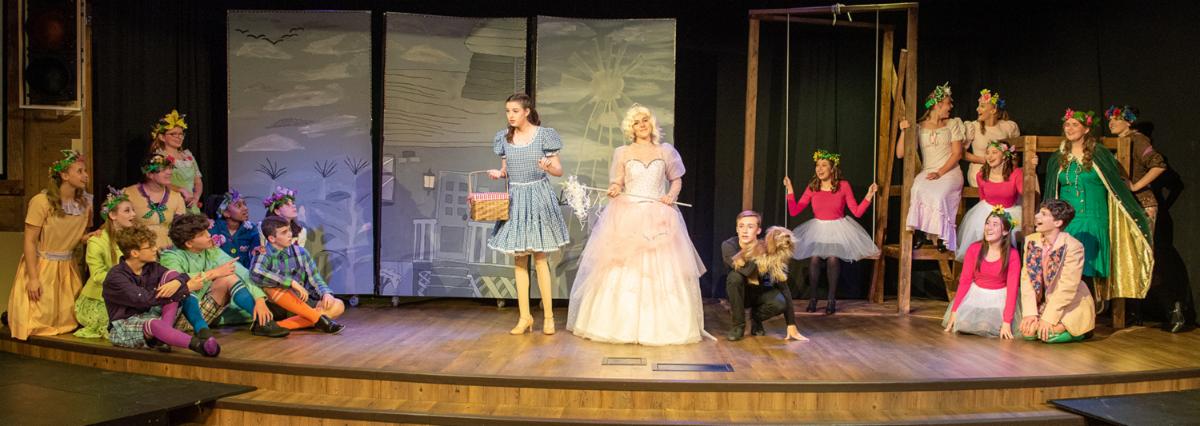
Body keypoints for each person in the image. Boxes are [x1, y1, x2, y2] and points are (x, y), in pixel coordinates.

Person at [566, 104, 712, 345]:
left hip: (659, 213)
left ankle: (663, 326)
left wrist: (671, 196)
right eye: (636, 122)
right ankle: (619, 326)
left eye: (644, 120)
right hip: (629, 213)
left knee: (662, 267)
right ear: (630, 128)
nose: (641, 125)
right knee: (623, 268)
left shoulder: (665, 151)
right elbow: (617, 182)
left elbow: (676, 180)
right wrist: (614, 189)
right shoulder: (622, 152)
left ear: (651, 123)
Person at [1044, 108, 1153, 305]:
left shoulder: (1099, 154)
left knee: (1088, 270)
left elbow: (1116, 186)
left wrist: (1134, 192)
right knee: (1065, 270)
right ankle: (1066, 312)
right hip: (1067, 222)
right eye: (1067, 124)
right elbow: (1051, 190)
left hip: (1094, 218)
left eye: (1075, 125)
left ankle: (1088, 312)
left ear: (1086, 129)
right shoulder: (1058, 157)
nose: (1069, 128)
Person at [486, 93, 570, 335]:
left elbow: (558, 170)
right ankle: (525, 317)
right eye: (507, 111)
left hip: (538, 197)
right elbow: (506, 169)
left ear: (526, 111)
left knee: (540, 257)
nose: (510, 115)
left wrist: (548, 167)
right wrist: (499, 173)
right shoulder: (504, 138)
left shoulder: (544, 135)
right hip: (516, 199)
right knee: (519, 259)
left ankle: (549, 317)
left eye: (515, 111)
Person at [6, 150, 92, 340]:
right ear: (64, 175)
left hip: (67, 267)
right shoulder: (42, 202)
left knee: (67, 321)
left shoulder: (85, 204)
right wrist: (33, 277)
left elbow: (75, 236)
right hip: (43, 266)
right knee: (38, 318)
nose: (85, 175)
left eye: (85, 171)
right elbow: (30, 240)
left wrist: (91, 237)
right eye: (79, 171)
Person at [160, 213, 289, 338]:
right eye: (202, 234)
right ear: (189, 243)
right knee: (189, 288)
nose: (209, 235)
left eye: (207, 231)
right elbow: (178, 282)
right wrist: (214, 273)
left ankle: (262, 322)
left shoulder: (211, 251)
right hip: (177, 317)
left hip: (203, 309)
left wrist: (259, 299)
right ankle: (201, 330)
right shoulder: (171, 256)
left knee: (229, 277)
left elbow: (242, 272)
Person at [784, 150, 879, 315]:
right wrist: (790, 189)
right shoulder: (813, 187)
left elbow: (856, 212)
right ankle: (813, 298)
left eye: (824, 165)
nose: (819, 169)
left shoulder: (843, 186)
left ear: (832, 168)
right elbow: (794, 211)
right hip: (818, 229)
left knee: (833, 259)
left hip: (837, 229)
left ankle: (831, 299)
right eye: (817, 165)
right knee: (814, 259)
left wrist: (869, 195)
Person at [102, 226, 220, 356]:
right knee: (160, 317)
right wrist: (186, 287)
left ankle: (202, 331)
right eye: (150, 247)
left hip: (151, 316)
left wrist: (177, 282)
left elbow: (179, 276)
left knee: (173, 279)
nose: (155, 249)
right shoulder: (116, 277)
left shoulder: (151, 267)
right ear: (134, 253)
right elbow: (144, 300)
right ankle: (199, 345)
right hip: (125, 325)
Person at [897, 82, 965, 251]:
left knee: (940, 194)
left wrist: (940, 172)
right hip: (928, 171)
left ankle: (943, 237)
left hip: (949, 171)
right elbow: (900, 153)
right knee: (917, 189)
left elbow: (957, 153)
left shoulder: (952, 124)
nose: (951, 107)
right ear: (937, 105)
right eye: (948, 103)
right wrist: (903, 132)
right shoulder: (919, 127)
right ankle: (920, 232)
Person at [721, 211, 807, 342]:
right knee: (735, 277)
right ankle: (738, 326)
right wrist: (760, 255)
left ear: (758, 230)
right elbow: (746, 271)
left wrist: (791, 324)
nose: (745, 231)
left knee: (780, 302)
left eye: (750, 227)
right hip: (739, 294)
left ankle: (756, 319)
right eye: (741, 226)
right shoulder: (729, 246)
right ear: (737, 229)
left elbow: (783, 287)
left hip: (760, 293)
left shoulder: (769, 249)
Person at [251, 216, 346, 333]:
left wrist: (326, 293)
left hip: (300, 302)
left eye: (289, 230)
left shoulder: (301, 252)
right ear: (272, 238)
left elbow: (315, 278)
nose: (290, 234)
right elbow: (255, 272)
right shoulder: (263, 252)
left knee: (338, 305)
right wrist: (291, 282)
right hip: (277, 305)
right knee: (269, 286)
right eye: (284, 232)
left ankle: (277, 326)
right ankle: (318, 319)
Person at [1018, 200, 1095, 343]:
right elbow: (1027, 278)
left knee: (1048, 335)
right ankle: (1046, 321)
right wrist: (1030, 313)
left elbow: (1067, 286)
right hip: (1045, 301)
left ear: (1058, 222)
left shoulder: (1073, 246)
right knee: (1028, 333)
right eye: (1038, 212)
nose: (1037, 216)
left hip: (1069, 302)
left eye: (1043, 214)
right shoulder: (1031, 241)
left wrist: (1048, 318)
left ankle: (1080, 331)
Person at [944, 206, 1021, 338]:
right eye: (987, 223)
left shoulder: (1012, 255)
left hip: (999, 299)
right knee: (963, 325)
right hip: (976, 295)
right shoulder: (974, 249)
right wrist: (955, 310)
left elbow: (1012, 288)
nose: (989, 227)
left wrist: (1007, 321)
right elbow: (965, 281)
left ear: (1005, 231)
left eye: (995, 224)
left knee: (985, 326)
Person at [75, 187, 139, 339]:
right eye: (127, 211)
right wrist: (125, 281)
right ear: (112, 215)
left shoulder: (134, 239)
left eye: (133, 210)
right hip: (100, 299)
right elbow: (97, 275)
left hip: (127, 295)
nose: (133, 214)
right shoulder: (97, 241)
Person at [956, 140, 1023, 260]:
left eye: (994, 152)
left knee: (1008, 232)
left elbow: (1026, 194)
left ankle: (1004, 264)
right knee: (981, 230)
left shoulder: (1016, 173)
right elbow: (982, 198)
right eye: (987, 153)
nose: (989, 156)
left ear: (1004, 155)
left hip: (1010, 212)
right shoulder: (982, 175)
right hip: (987, 210)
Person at [124, 153, 187, 250]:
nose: (169, 172)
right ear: (149, 174)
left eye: (170, 168)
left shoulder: (176, 197)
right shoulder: (129, 193)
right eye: (163, 169)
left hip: (167, 250)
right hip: (138, 249)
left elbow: (181, 228)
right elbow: (115, 221)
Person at [963, 89, 1020, 187]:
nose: (977, 109)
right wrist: (986, 160)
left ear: (993, 110)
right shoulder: (973, 127)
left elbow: (1015, 152)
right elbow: (961, 153)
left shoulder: (1008, 127)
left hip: (1003, 171)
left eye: (982, 106)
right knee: (993, 184)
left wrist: (1011, 167)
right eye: (978, 106)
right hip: (981, 170)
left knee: (1016, 180)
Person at [149, 110, 203, 212]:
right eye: (173, 134)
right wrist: (180, 190)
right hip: (171, 204)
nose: (179, 137)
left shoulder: (188, 156)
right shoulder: (159, 157)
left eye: (181, 134)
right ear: (162, 137)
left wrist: (195, 198)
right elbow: (157, 182)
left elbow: (198, 181)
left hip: (191, 204)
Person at [209, 189, 261, 269]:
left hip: (244, 273)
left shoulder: (251, 229)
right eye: (238, 206)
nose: (245, 208)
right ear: (226, 213)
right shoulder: (212, 228)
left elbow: (256, 252)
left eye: (245, 204)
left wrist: (257, 251)